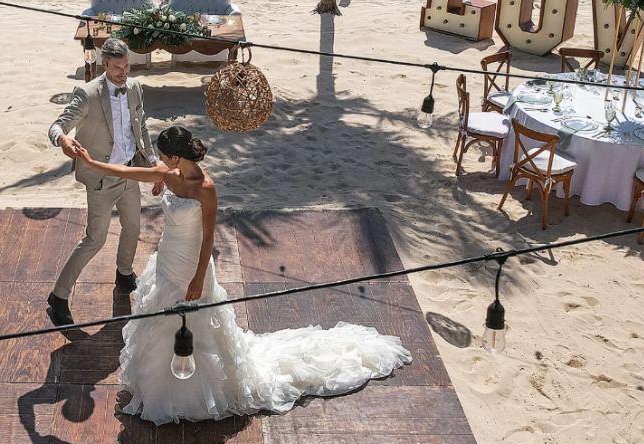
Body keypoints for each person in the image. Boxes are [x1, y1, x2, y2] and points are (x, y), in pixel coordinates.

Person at [73, 125, 412, 425]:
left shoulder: (206, 188)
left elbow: (208, 238)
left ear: (176, 157)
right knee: (161, 320)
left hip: (194, 263)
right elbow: (126, 173)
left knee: (196, 324)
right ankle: (161, 386)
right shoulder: (169, 174)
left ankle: (196, 392)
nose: (159, 161)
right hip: (167, 259)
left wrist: (197, 278)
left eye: (163, 156)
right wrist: (90, 162)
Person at [46, 38, 160, 327]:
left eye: (126, 66)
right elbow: (57, 124)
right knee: (94, 240)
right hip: (100, 179)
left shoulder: (134, 87)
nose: (123, 72)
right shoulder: (87, 94)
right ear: (104, 65)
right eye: (117, 67)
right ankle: (58, 298)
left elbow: (141, 126)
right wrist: (62, 139)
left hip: (129, 173)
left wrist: (154, 165)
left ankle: (123, 274)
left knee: (133, 228)